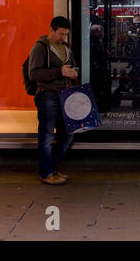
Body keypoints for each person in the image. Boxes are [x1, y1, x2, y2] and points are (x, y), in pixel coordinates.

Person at [28, 16, 78, 185]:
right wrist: (59, 72)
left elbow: (70, 66)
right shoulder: (40, 47)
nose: (63, 37)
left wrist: (73, 72)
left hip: (64, 95)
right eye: (60, 34)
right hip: (47, 95)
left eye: (65, 34)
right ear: (51, 30)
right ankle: (46, 173)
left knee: (67, 134)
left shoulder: (66, 47)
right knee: (47, 136)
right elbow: (34, 74)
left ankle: (53, 169)